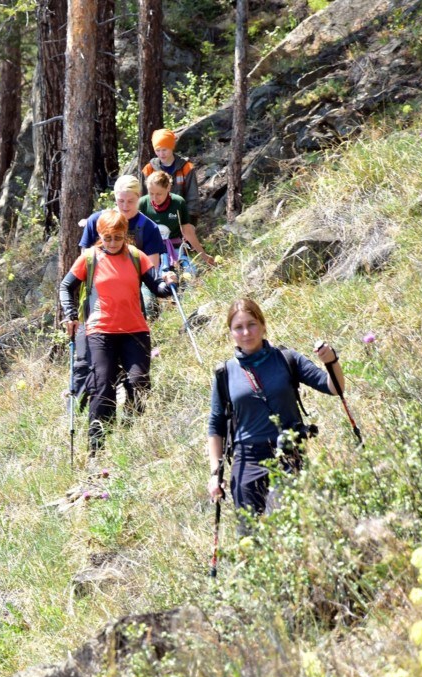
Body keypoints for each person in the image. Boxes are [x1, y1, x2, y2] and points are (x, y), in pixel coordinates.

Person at [206, 299, 343, 528]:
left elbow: (334, 387)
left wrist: (332, 361)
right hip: (246, 460)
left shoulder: (287, 359)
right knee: (251, 534)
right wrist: (214, 474)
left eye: (252, 324)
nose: (246, 332)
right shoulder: (225, 373)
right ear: (230, 332)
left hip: (288, 453)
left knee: (290, 524)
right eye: (238, 327)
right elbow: (216, 425)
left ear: (263, 325)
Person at [61, 210, 178, 454]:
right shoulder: (89, 258)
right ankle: (97, 448)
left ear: (126, 235)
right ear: (99, 236)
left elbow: (157, 289)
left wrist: (171, 282)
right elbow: (66, 286)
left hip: (135, 330)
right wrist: (71, 314)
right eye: (107, 237)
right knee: (102, 386)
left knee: (139, 382)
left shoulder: (137, 256)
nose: (113, 242)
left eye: (118, 237)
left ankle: (131, 435)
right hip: (100, 331)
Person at [71, 176, 166, 405]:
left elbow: (151, 274)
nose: (125, 206)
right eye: (120, 200)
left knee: (132, 368)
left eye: (130, 201)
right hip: (95, 304)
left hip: (132, 300)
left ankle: (131, 413)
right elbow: (86, 262)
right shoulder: (97, 221)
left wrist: (162, 288)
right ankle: (79, 405)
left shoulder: (148, 228)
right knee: (86, 361)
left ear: (139, 199)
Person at [139, 170, 216, 272]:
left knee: (190, 272)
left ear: (168, 188)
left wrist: (203, 255)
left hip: (175, 249)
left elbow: (187, 231)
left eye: (159, 194)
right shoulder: (143, 203)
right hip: (152, 250)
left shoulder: (178, 203)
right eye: (151, 193)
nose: (154, 198)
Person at [142, 128, 200, 215]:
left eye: (164, 150)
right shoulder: (149, 169)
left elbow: (193, 198)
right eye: (158, 150)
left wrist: (190, 221)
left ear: (172, 147)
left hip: (180, 217)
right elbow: (142, 197)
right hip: (155, 218)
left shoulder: (186, 168)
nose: (161, 154)